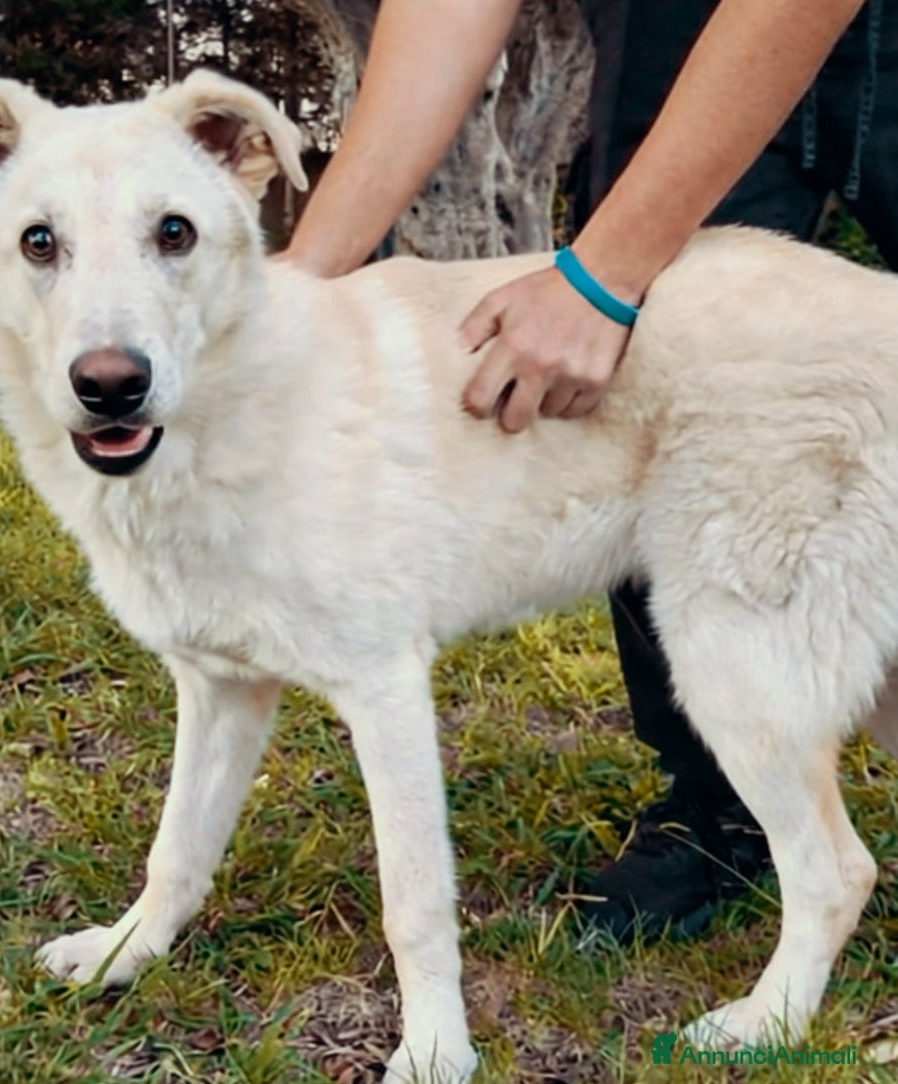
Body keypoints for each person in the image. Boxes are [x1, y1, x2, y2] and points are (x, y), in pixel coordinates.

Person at [280, 0, 896, 941]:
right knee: (659, 395)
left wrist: (603, 272)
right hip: (672, 28)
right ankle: (721, 800)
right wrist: (296, 289)